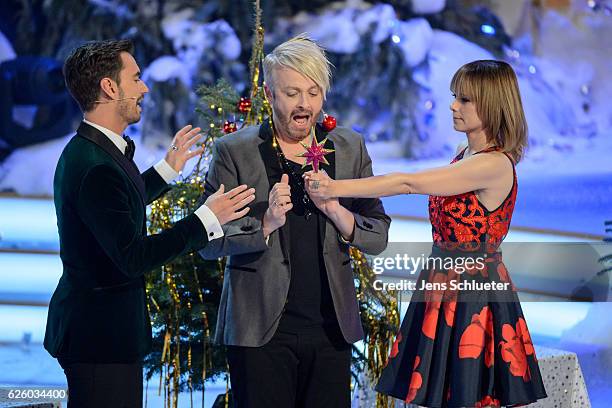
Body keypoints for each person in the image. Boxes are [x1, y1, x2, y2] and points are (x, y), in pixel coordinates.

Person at [305, 60, 547, 407]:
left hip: (472, 292)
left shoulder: (492, 164)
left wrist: (334, 187)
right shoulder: (465, 155)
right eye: (455, 97)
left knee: (469, 393)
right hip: (443, 282)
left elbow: (408, 182)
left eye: (464, 100)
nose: (453, 106)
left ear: (491, 105)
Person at [43, 39, 255, 408]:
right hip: (100, 339)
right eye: (136, 78)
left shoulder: (94, 151)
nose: (144, 88)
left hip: (101, 335)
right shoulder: (95, 166)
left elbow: (115, 206)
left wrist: (166, 171)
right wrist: (206, 218)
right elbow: (132, 256)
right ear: (110, 88)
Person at [198, 35, 391, 407]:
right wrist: (266, 223)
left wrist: (336, 209)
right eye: (292, 93)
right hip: (260, 333)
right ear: (269, 95)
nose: (305, 104)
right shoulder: (234, 152)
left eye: (313, 93)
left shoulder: (349, 148)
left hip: (330, 331)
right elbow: (208, 242)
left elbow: (378, 234)